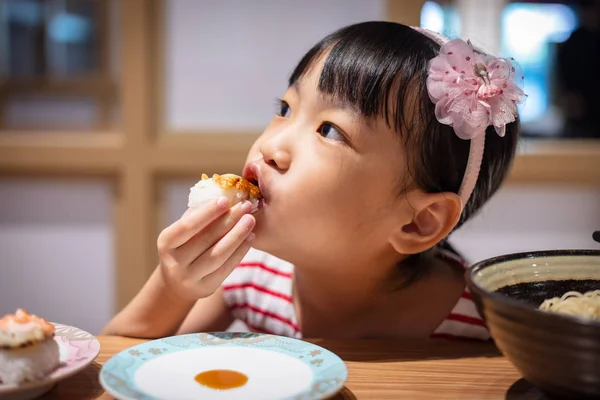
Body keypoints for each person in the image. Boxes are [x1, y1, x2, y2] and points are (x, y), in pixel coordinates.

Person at [102, 22, 526, 341]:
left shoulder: (486, 327)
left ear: (419, 222)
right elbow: (117, 362)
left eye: (330, 130)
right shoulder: (247, 275)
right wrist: (173, 288)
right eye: (285, 109)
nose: (272, 146)